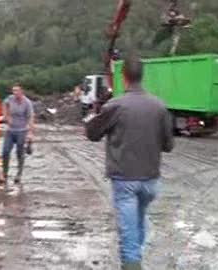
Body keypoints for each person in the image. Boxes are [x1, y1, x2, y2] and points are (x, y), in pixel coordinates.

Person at [85, 54, 174, 270]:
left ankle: (133, 263)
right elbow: (168, 145)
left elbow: (92, 133)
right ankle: (137, 256)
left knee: (128, 231)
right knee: (139, 219)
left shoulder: (116, 105)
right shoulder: (159, 106)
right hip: (150, 180)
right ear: (142, 76)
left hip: (125, 179)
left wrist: (92, 117)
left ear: (123, 77)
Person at [0, 84, 35, 185]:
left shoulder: (27, 102)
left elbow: (31, 117)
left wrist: (30, 133)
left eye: (16, 91)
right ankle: (4, 173)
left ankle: (19, 174)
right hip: (10, 130)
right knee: (5, 152)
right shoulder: (10, 99)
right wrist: (6, 116)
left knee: (20, 153)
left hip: (22, 131)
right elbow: (4, 104)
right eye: (13, 91)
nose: (14, 93)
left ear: (21, 91)